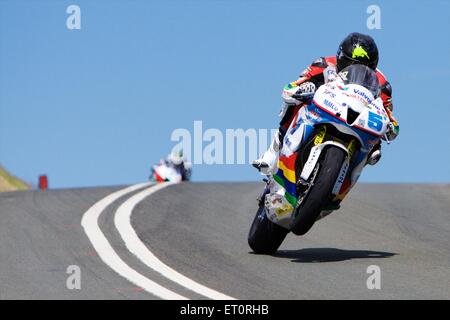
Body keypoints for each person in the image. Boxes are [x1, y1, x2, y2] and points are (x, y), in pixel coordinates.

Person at [252, 32, 400, 175]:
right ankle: (273, 152)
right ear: (341, 57)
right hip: (323, 108)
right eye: (350, 64)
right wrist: (302, 88)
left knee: (375, 148)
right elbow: (292, 88)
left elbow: (387, 114)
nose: (356, 70)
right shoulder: (324, 64)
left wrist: (391, 125)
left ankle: (343, 181)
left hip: (357, 121)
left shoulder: (382, 85)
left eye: (364, 68)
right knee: (295, 102)